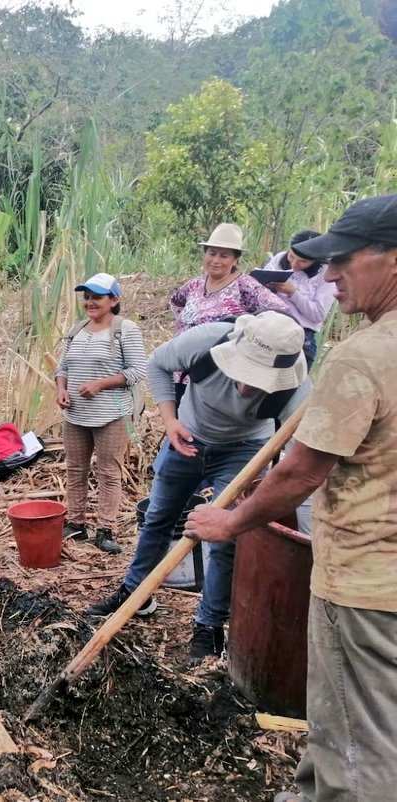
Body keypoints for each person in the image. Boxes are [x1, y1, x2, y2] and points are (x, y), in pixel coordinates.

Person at [185, 193, 397, 802]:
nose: (328, 276)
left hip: (365, 577)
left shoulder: (362, 356)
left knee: (360, 737)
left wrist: (231, 522)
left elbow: (300, 472)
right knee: (349, 716)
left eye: (343, 261)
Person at [85, 311, 310, 665]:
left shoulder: (296, 386)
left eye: (259, 379)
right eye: (244, 372)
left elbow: (302, 454)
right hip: (186, 438)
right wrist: (170, 421)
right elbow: (157, 364)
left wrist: (267, 479)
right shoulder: (207, 342)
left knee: (224, 538)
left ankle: (209, 625)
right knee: (158, 517)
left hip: (244, 453)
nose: (247, 386)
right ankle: (135, 593)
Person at [56, 273, 147, 554]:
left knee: (109, 471)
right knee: (75, 469)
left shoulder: (125, 329)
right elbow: (62, 368)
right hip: (75, 414)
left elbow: (137, 371)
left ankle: (105, 529)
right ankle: (76, 523)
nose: (90, 302)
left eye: (97, 297)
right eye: (87, 297)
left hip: (112, 413)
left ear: (114, 300)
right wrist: (61, 390)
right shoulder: (77, 329)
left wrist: (100, 384)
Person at [170, 223, 289, 335]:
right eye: (212, 253)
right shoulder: (195, 284)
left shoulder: (245, 285)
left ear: (235, 260)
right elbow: (176, 301)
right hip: (183, 352)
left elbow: (282, 312)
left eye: (224, 256)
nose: (216, 261)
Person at [258, 229, 337, 365]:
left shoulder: (325, 274)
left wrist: (293, 293)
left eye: (303, 261)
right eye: (292, 257)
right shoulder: (280, 259)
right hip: (268, 328)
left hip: (300, 336)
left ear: (316, 259)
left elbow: (318, 315)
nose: (294, 264)